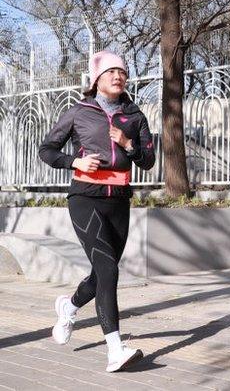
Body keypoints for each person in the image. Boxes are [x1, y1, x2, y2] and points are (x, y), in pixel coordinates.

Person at [38, 50, 156, 372]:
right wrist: (74, 161)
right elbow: (46, 149)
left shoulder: (135, 116)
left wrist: (129, 144)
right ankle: (115, 350)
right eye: (111, 72)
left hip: (119, 200)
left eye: (122, 72)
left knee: (102, 272)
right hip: (85, 197)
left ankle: (69, 306)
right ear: (97, 80)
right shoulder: (79, 112)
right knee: (109, 271)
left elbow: (148, 160)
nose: (118, 77)